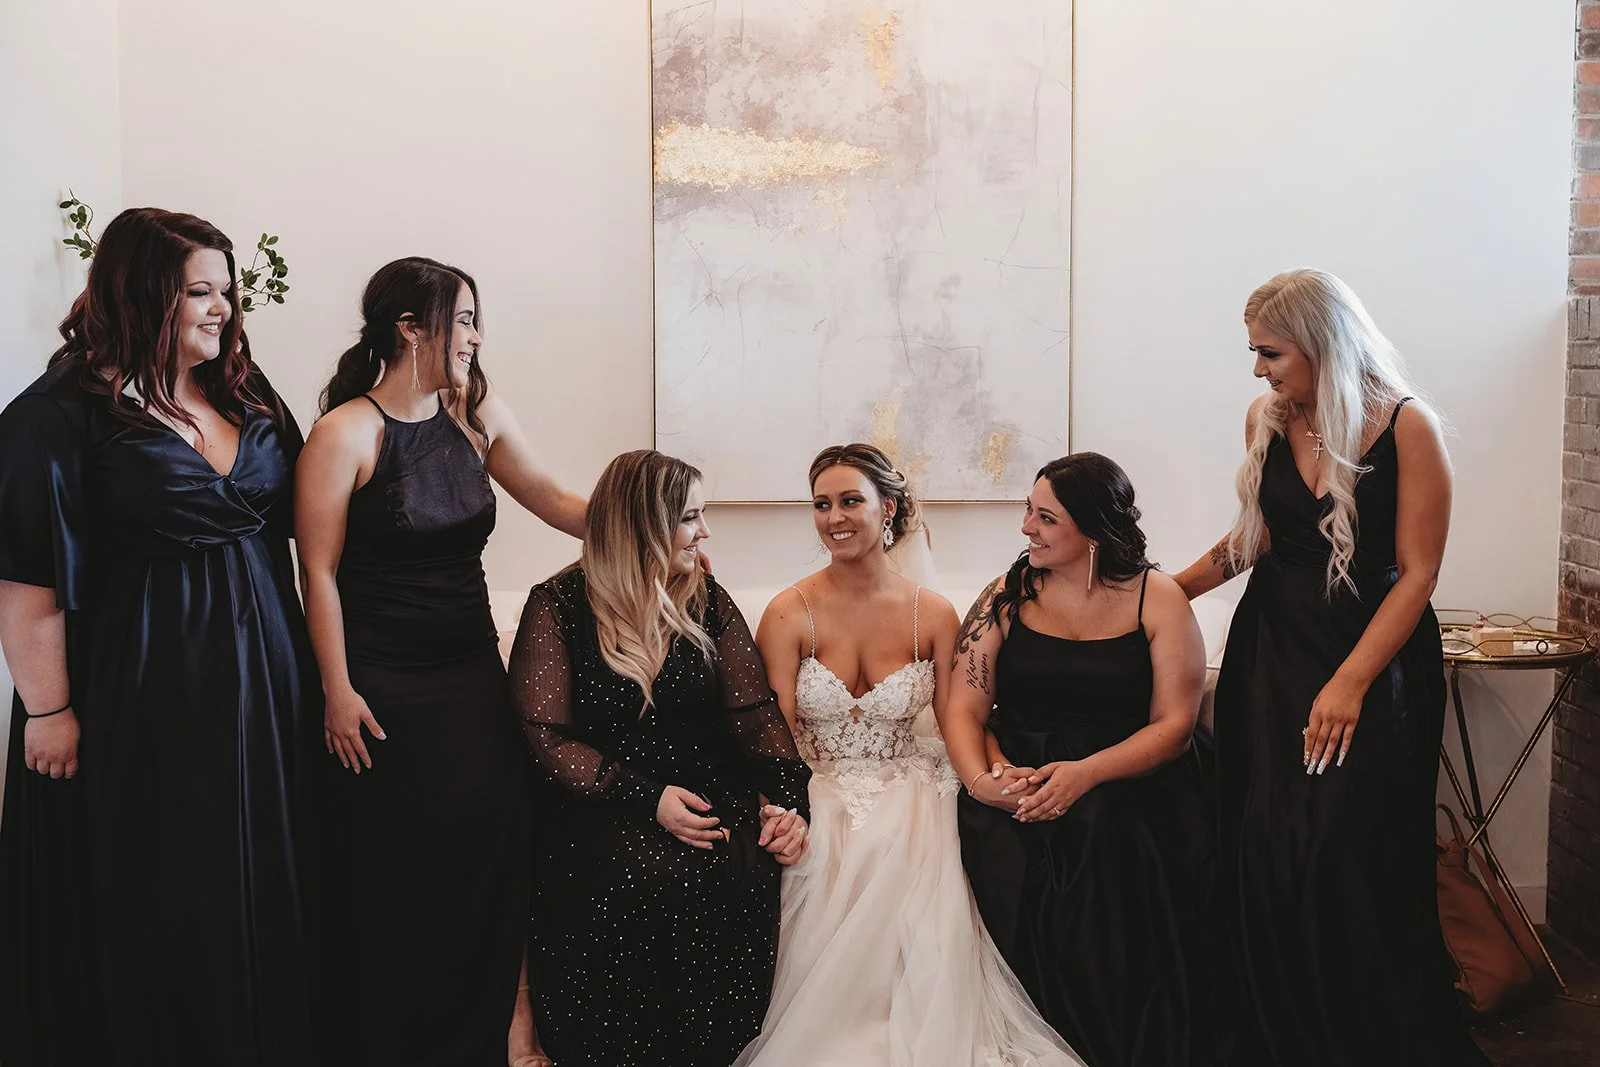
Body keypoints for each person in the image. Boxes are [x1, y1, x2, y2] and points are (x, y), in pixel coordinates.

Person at [0, 207, 320, 1065]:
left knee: (251, 882)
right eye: (200, 292)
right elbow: (28, 579)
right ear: (144, 293)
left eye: (226, 290)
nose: (222, 309)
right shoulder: (59, 414)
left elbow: (312, 515)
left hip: (265, 684)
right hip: (146, 689)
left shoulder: (243, 391)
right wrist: (48, 710)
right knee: (169, 886)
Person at [1174, 268, 1488, 1065]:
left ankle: (1355, 1035)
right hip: (1270, 661)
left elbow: (1418, 572)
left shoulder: (1408, 427)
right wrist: (1160, 594)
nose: (1258, 371)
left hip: (1372, 663)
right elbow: (1258, 538)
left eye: (1270, 352)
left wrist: (1350, 680)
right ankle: (1275, 1033)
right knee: (1267, 843)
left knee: (1345, 849)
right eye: (1255, 353)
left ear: (1320, 342)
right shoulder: (1268, 418)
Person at [297, 256, 585, 1067]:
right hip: (380, 684)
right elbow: (315, 570)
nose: (475, 336)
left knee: (493, 843)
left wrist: (652, 525)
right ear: (410, 329)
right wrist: (337, 689)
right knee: (398, 867)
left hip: (468, 676)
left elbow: (557, 500)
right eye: (461, 319)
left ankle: (484, 1037)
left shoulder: (475, 412)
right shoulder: (344, 432)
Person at [734, 444, 1082, 1067]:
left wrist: (990, 772)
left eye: (850, 501)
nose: (833, 517)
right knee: (831, 844)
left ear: (887, 508)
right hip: (813, 779)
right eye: (821, 504)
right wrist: (773, 810)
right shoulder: (789, 611)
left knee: (915, 841)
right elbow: (772, 733)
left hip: (911, 777)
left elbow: (961, 717)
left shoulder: (935, 613)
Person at [509, 448, 812, 1067]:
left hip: (705, 793)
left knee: (737, 862)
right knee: (641, 875)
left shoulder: (706, 598)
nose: (705, 533)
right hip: (604, 800)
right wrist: (649, 799)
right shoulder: (559, 603)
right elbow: (547, 737)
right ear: (646, 524)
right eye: (691, 517)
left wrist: (788, 806)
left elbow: (754, 718)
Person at [951, 453, 1214, 1067]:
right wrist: (983, 782)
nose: (1026, 529)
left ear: (1093, 529)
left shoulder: (1159, 597)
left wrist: (1085, 774)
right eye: (1028, 511)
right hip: (1017, 773)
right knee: (997, 851)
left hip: (1130, 772)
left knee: (1106, 847)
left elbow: (1174, 727)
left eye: (1046, 518)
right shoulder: (1007, 594)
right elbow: (963, 707)